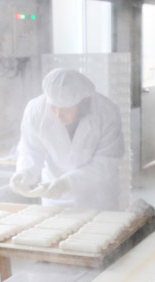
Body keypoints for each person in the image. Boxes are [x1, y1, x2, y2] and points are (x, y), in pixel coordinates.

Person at [10, 68, 125, 211]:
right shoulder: (36, 110)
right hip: (54, 198)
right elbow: (31, 149)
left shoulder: (106, 112)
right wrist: (26, 172)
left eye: (65, 109)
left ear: (82, 104)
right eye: (53, 107)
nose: (58, 114)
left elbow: (107, 161)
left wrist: (68, 183)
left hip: (97, 197)